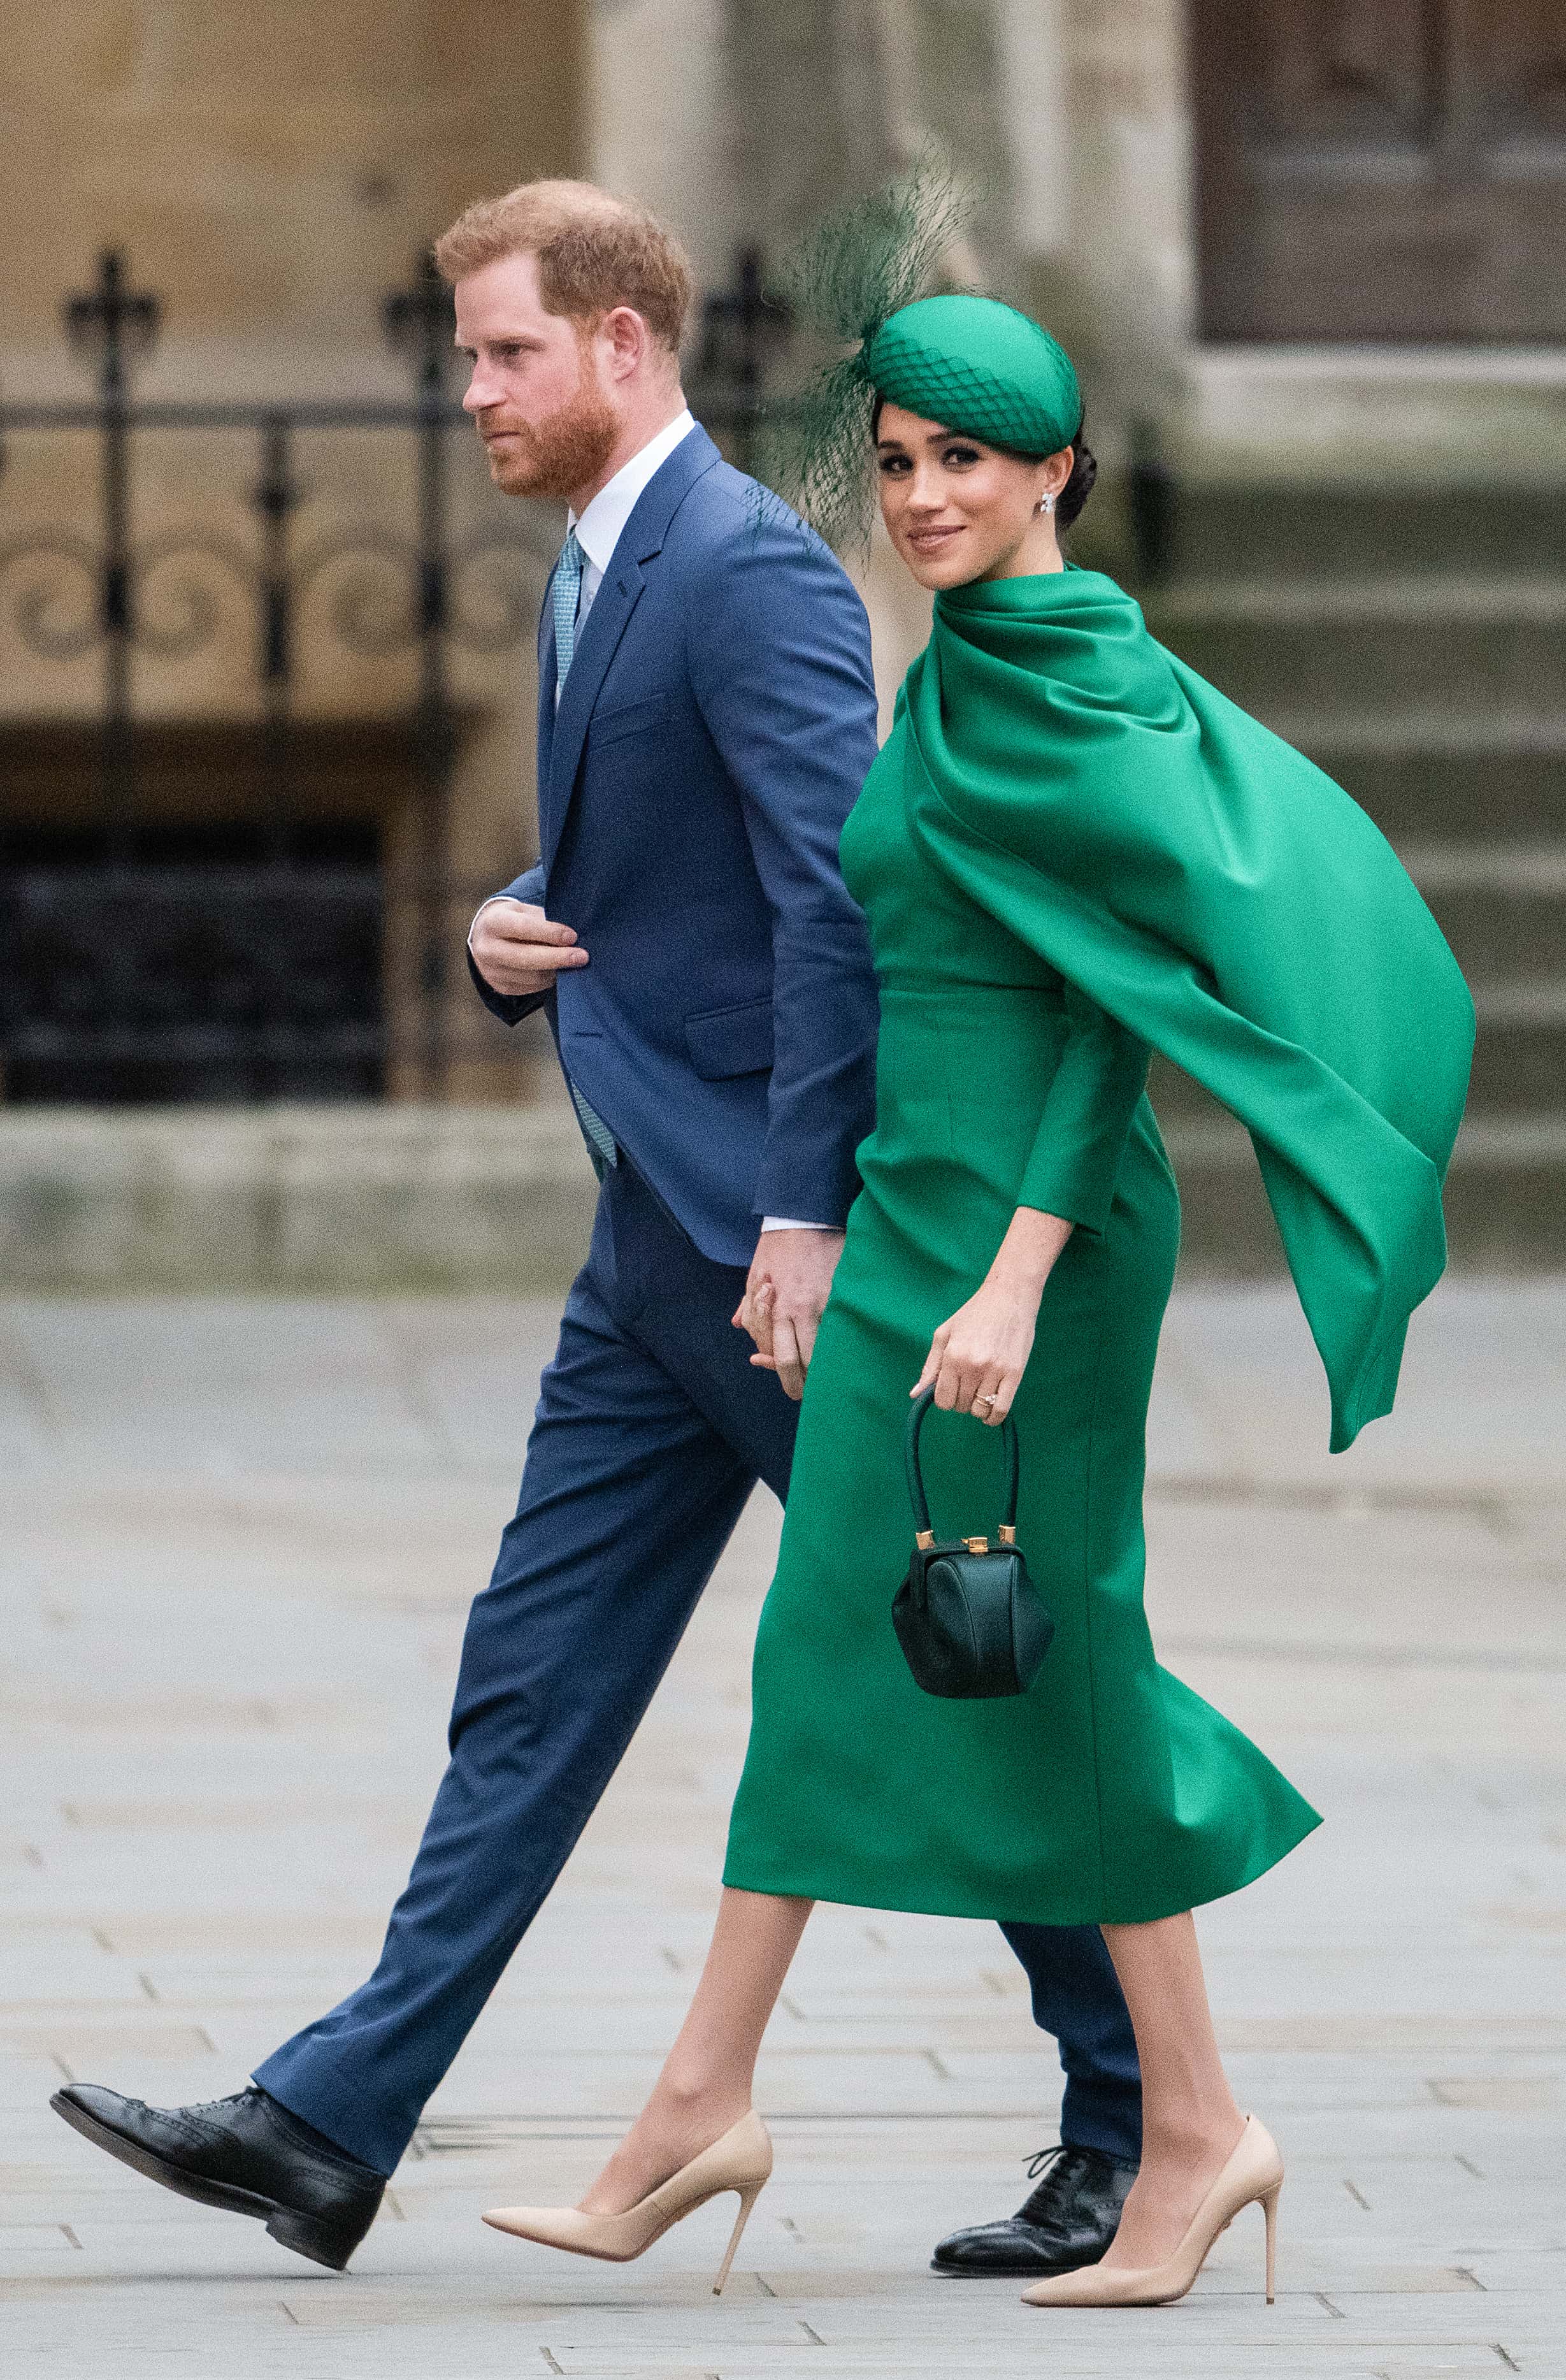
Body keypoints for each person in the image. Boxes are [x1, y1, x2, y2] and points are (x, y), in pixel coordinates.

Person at [48, 181, 1149, 2281]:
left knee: (963, 1664)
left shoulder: (743, 568)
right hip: (653, 1242)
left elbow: (830, 910)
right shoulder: (595, 561)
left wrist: (807, 1217)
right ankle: (328, 2123)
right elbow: (662, 874)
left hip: (774, 1263)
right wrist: (511, 929)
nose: (472, 389)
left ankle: (1136, 2118)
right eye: (471, 354)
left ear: (621, 346)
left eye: (505, 352)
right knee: (534, 1676)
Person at [481, 268, 1475, 2311]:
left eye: (965, 461)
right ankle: (731, 2105)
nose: (922, 494)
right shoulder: (952, 668)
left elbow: (1118, 1014)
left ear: (1056, 474)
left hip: (1035, 1239)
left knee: (1055, 1647)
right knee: (854, 1645)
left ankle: (1163, 2129)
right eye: (898, 461)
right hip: (910, 1210)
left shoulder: (1074, 679)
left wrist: (1013, 1281)